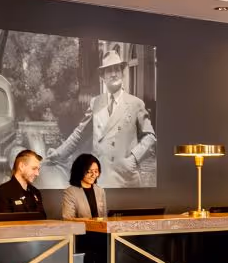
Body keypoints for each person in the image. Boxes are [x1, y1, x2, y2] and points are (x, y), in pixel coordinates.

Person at [52, 49, 156, 187]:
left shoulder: (135, 103)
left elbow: (150, 137)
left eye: (117, 69)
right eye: (109, 70)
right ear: (103, 76)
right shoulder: (96, 103)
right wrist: (58, 154)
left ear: (122, 73)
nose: (114, 74)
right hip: (100, 178)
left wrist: (133, 159)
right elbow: (79, 134)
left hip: (125, 180)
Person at [0, 148, 44, 214]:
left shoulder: (35, 192)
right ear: (21, 166)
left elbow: (43, 219)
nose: (37, 174)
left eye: (38, 169)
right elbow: (5, 223)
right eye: (34, 168)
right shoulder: (2, 192)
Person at [60, 154, 107, 219]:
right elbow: (68, 219)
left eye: (96, 171)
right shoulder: (70, 192)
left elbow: (104, 217)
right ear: (79, 171)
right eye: (89, 171)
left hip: (100, 228)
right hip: (81, 229)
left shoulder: (100, 191)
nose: (93, 175)